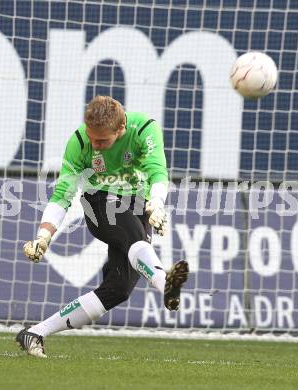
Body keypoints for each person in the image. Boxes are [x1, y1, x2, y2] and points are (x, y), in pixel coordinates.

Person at [16, 96, 189, 358]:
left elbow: (157, 170)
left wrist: (157, 203)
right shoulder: (80, 141)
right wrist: (44, 235)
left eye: (102, 141)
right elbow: (63, 192)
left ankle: (35, 332)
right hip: (99, 202)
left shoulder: (143, 129)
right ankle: (165, 282)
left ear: (120, 130)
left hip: (139, 204)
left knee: (118, 290)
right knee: (132, 234)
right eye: (91, 137)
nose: (95, 145)